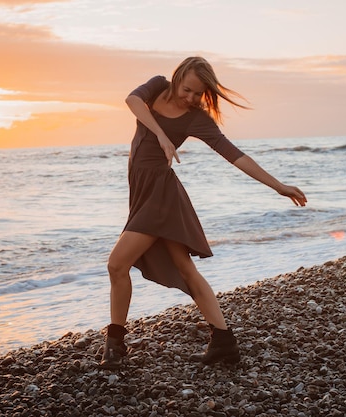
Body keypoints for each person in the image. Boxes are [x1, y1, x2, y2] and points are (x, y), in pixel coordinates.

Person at [100, 57, 307, 370]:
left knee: (117, 264)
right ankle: (224, 342)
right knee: (186, 270)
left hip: (161, 197)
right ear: (178, 76)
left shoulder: (196, 118)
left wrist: (278, 185)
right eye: (188, 90)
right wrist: (160, 134)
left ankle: (114, 345)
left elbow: (234, 155)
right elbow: (131, 100)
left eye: (198, 94)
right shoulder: (156, 86)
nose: (191, 98)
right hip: (142, 192)